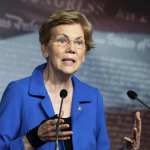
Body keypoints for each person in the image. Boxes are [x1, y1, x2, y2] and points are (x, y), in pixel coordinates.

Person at [0, 10, 110, 150]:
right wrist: (33, 139)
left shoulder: (93, 97)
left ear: (84, 55)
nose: (71, 49)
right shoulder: (19, 92)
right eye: (62, 40)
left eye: (79, 42)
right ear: (45, 49)